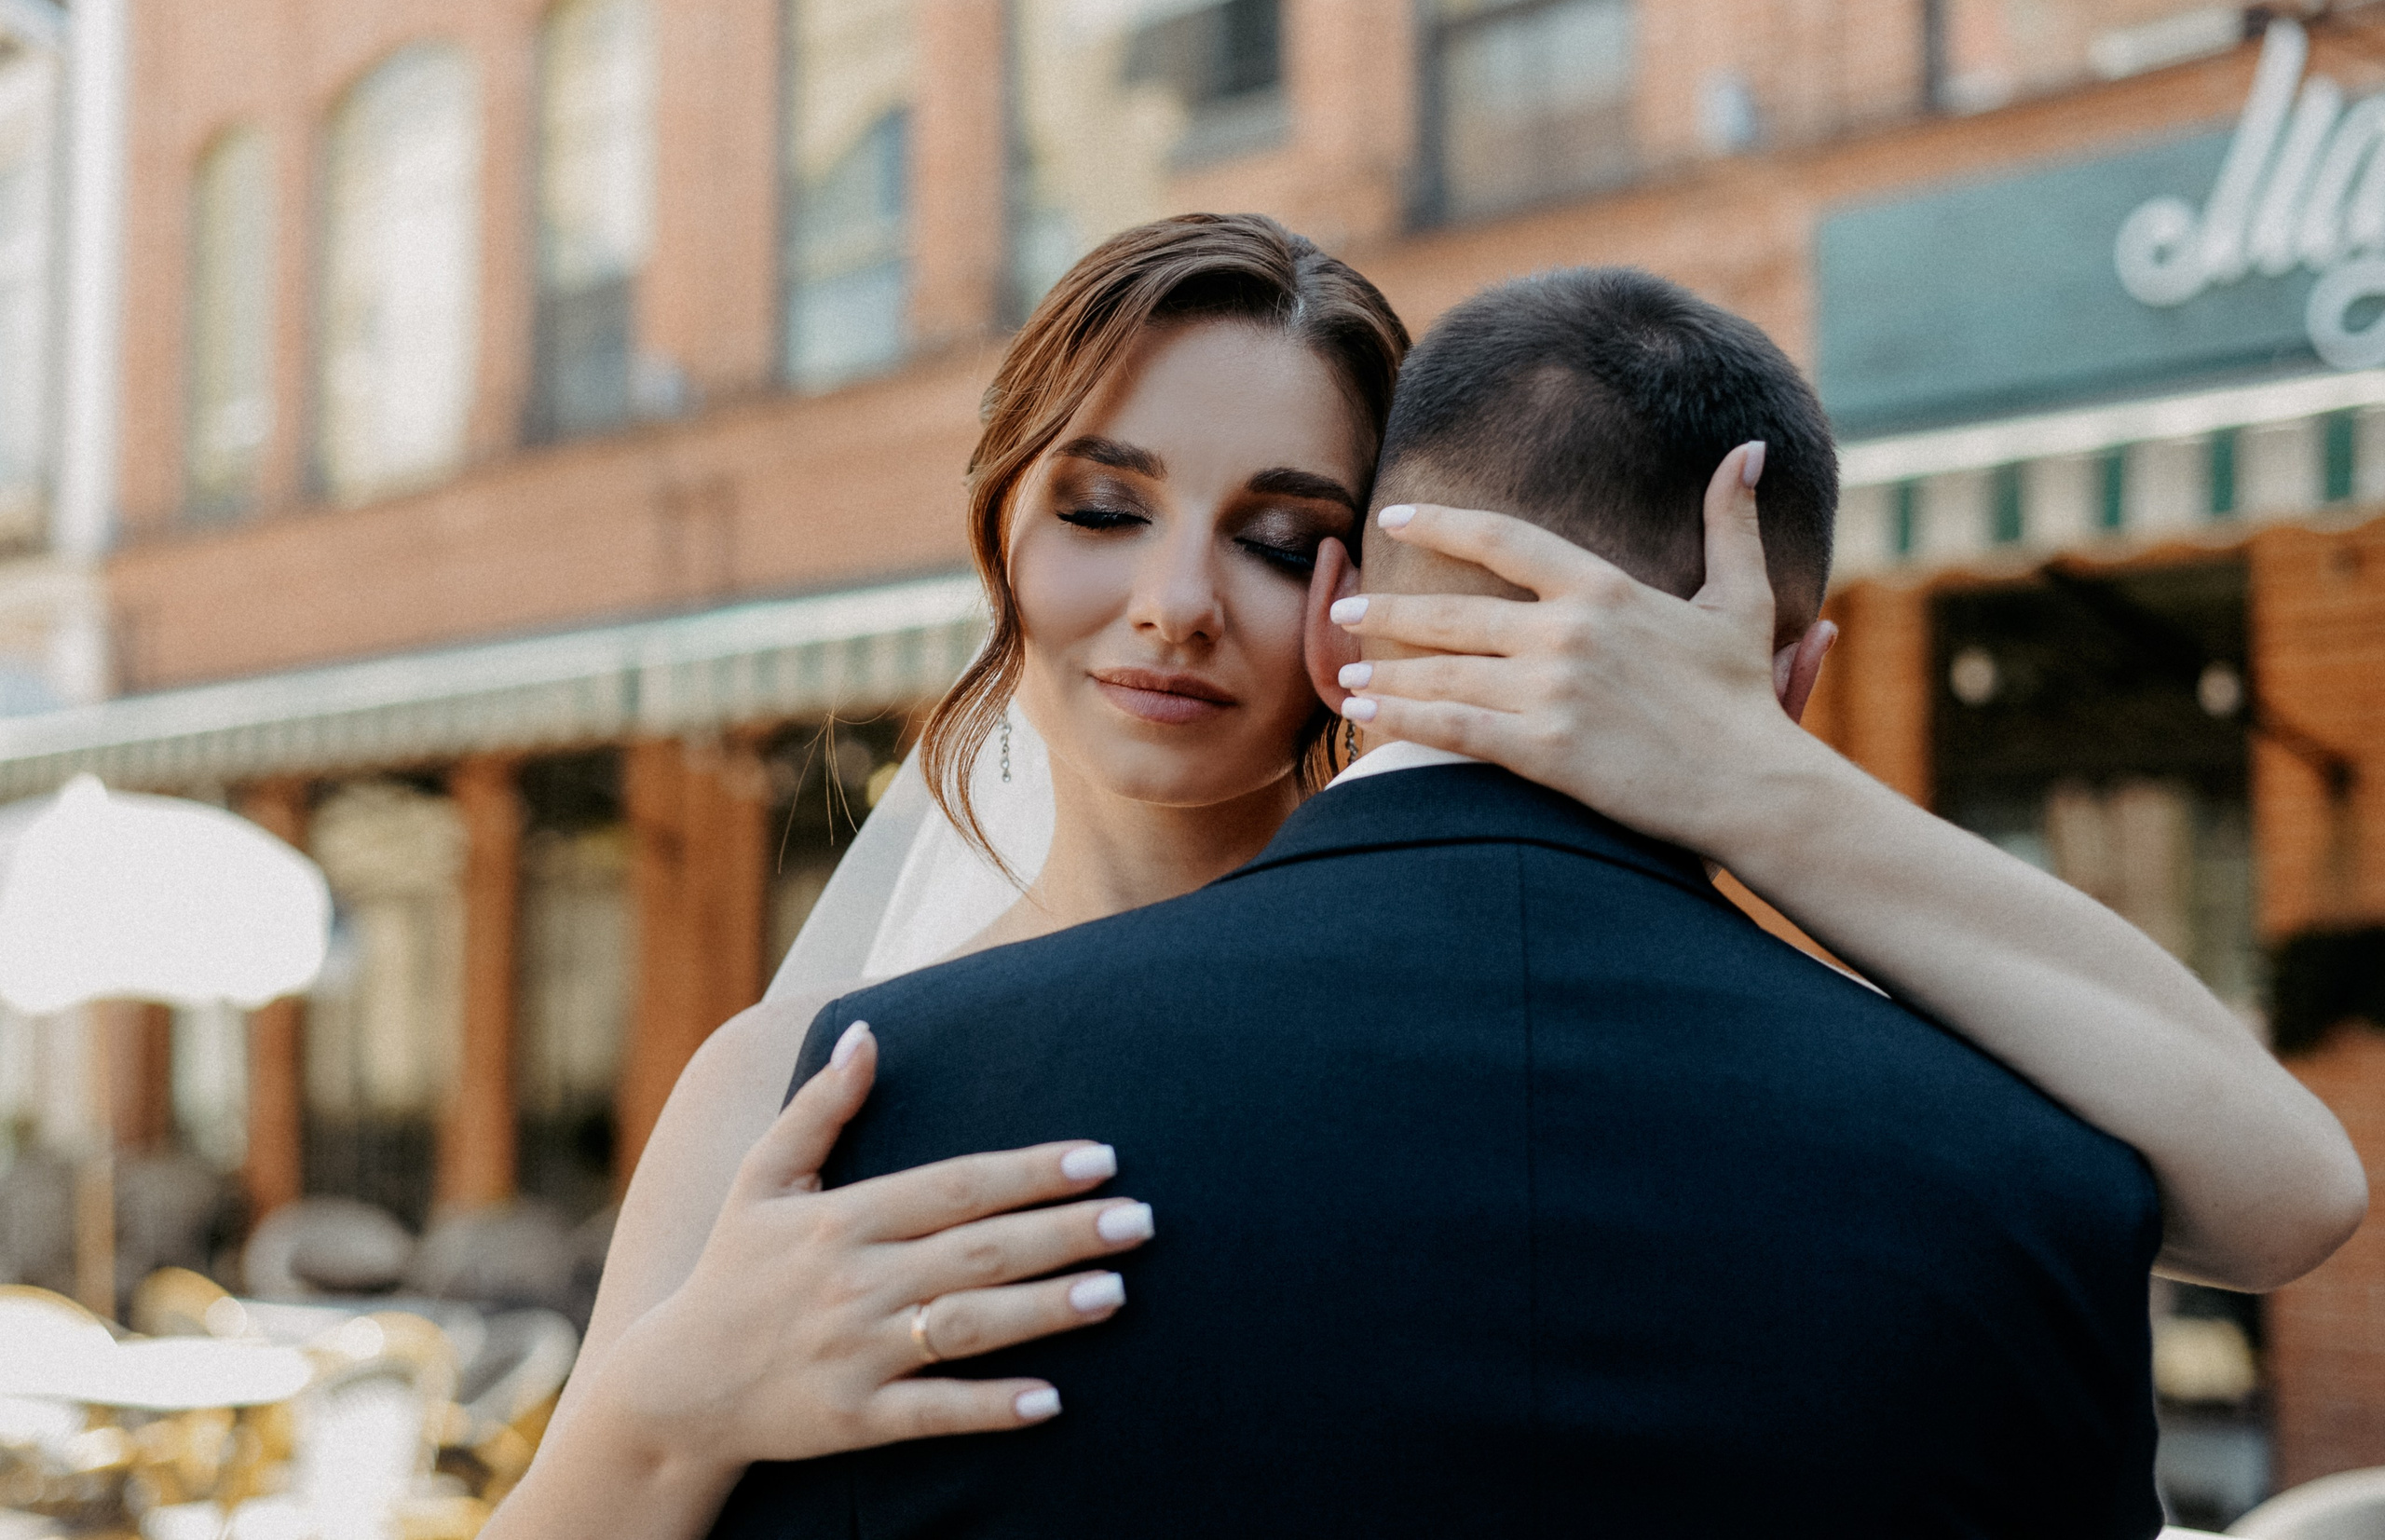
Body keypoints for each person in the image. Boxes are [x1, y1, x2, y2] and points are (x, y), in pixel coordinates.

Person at [481, 225, 2363, 1540]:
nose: (1171, 604)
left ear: (1373, 602)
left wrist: (1747, 778)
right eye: (1103, 505)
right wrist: (668, 1404)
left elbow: (2282, 1192)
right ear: (1000, 524)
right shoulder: (806, 1082)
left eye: (1280, 537)